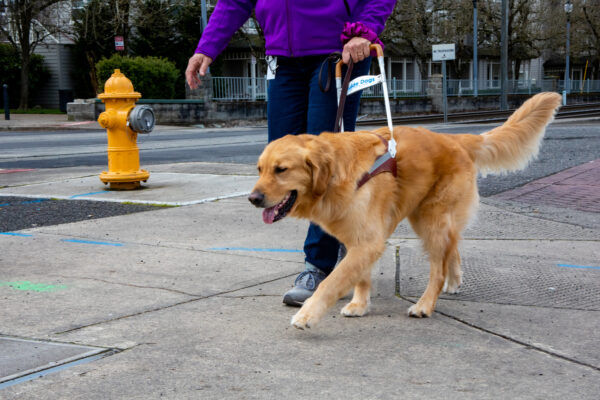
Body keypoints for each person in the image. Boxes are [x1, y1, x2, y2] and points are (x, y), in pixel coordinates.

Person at [186, 0, 396, 306]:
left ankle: (319, 266)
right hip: (282, 57)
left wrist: (365, 29)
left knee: (324, 161)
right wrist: (208, 47)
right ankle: (344, 242)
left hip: (337, 50)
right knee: (284, 158)